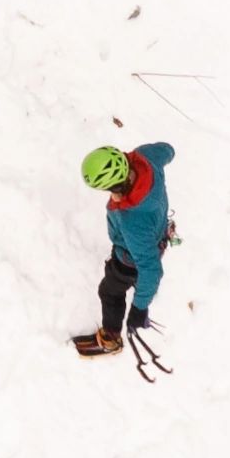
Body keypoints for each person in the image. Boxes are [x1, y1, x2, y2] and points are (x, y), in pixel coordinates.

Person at [75, 142, 177, 356]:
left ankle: (111, 340)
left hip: (128, 260)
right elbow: (168, 150)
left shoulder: (132, 220)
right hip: (156, 232)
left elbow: (151, 270)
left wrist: (139, 308)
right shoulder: (147, 158)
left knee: (110, 292)